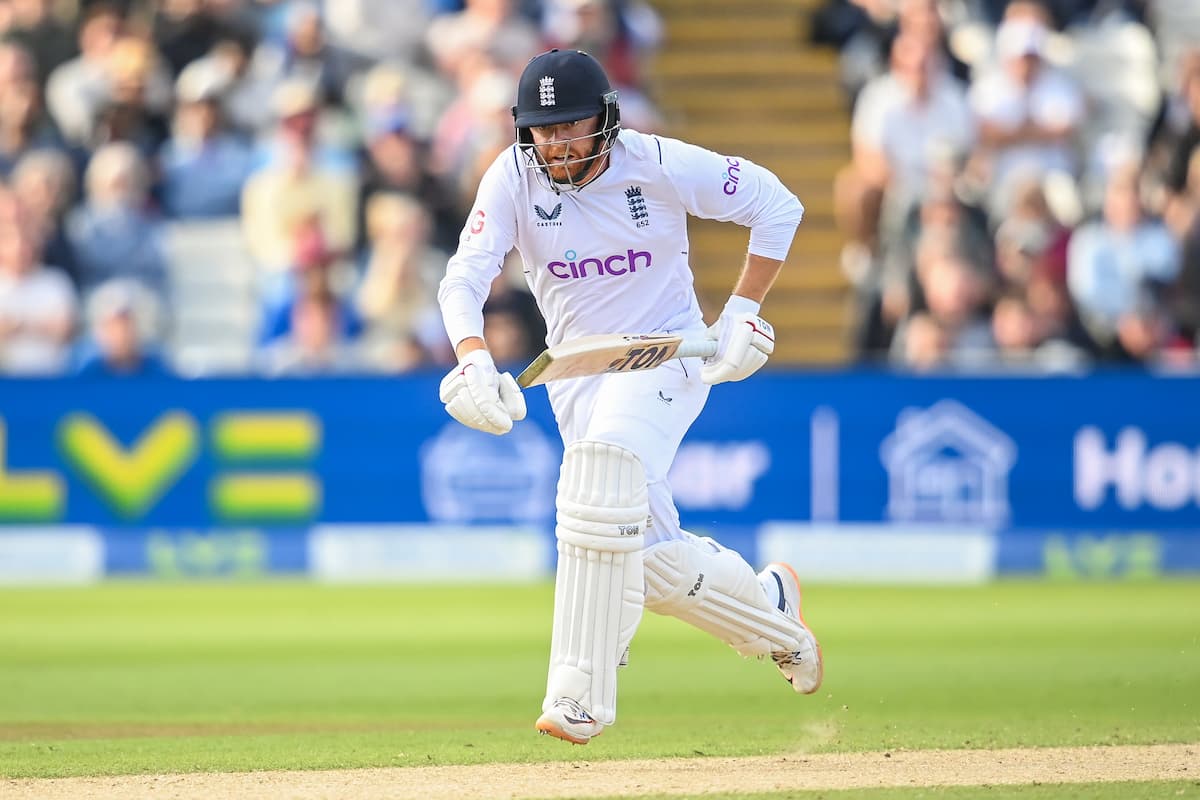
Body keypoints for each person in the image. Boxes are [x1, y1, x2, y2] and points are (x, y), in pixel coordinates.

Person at [435, 48, 822, 745]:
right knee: (650, 561)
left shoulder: (656, 162)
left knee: (601, 474)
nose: (556, 143)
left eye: (571, 126)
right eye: (543, 129)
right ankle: (775, 615)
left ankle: (579, 693)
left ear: (606, 120)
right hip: (575, 375)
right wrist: (471, 358)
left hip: (666, 354)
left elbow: (777, 204)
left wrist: (741, 310)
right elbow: (464, 276)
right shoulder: (513, 176)